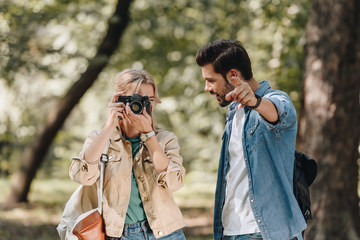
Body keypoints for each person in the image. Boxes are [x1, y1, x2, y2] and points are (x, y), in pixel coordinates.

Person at [195, 40, 306, 240]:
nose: (207, 88)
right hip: (230, 231)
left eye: (211, 80)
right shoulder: (233, 113)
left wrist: (256, 102)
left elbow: (277, 112)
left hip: (263, 232)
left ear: (233, 75)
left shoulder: (276, 99)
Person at [69, 69, 186, 240]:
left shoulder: (165, 140)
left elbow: (175, 183)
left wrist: (149, 135)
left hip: (166, 232)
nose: (144, 106)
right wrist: (109, 126)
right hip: (122, 234)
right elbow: (81, 176)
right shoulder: (100, 139)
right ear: (119, 100)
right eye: (137, 99)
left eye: (149, 100)